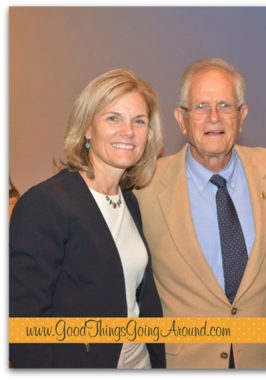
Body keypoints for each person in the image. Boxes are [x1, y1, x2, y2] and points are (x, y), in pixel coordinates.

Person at [136, 58, 266, 368]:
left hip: (263, 361)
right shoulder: (144, 186)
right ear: (181, 119)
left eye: (224, 105)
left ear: (242, 116)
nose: (213, 117)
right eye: (201, 107)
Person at [10, 68, 166, 368]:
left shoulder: (129, 200)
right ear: (87, 128)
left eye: (139, 121)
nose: (128, 131)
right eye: (113, 118)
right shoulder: (45, 204)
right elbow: (24, 327)